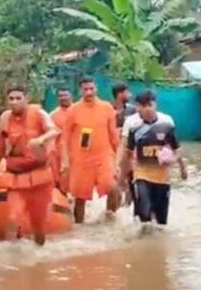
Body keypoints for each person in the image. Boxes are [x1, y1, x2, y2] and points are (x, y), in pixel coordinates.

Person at [0, 85, 60, 245]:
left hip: (39, 179)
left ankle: (38, 255)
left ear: (26, 99)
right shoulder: (5, 119)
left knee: (38, 226)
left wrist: (41, 139)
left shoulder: (39, 114)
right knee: (13, 218)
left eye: (18, 98)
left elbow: (55, 131)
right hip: (15, 178)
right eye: (11, 99)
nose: (14, 102)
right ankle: (13, 259)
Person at [118, 90, 187, 230]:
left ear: (155, 104)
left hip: (162, 177)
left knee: (161, 224)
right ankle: (141, 246)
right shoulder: (133, 127)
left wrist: (181, 166)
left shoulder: (167, 124)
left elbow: (177, 149)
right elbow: (127, 153)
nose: (147, 109)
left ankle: (157, 249)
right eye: (143, 106)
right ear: (137, 107)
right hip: (141, 174)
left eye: (150, 104)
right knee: (144, 213)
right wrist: (122, 177)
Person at [61, 77, 120, 224]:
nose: (89, 92)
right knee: (80, 198)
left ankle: (109, 217)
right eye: (85, 89)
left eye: (91, 89)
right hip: (81, 160)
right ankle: (79, 228)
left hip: (103, 157)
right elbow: (64, 139)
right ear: (80, 91)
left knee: (112, 187)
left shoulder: (107, 108)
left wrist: (121, 159)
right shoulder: (73, 110)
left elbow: (114, 136)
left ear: (96, 89)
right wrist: (65, 161)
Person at [112, 83, 137, 206]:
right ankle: (114, 209)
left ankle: (128, 208)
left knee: (131, 179)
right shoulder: (108, 110)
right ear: (120, 94)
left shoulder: (133, 110)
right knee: (115, 180)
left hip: (129, 150)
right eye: (127, 92)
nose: (130, 95)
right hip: (112, 150)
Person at [50, 87, 73, 194]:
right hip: (58, 154)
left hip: (77, 152)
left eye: (65, 95)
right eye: (61, 96)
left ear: (71, 96)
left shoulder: (78, 111)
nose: (63, 98)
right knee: (60, 183)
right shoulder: (53, 115)